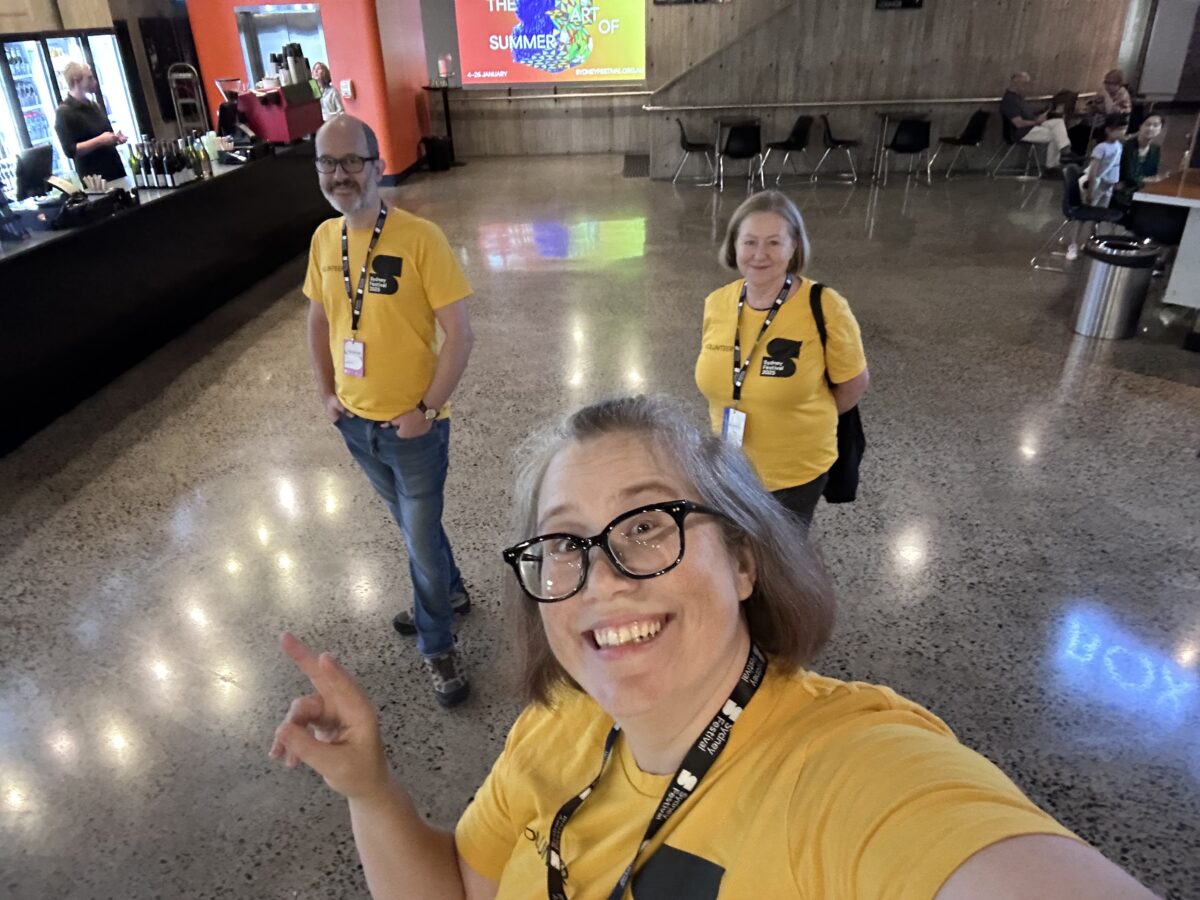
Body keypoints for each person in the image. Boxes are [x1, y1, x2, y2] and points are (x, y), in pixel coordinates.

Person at [270, 395, 1158, 899]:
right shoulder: (559, 728)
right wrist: (371, 790)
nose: (600, 578)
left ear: (741, 557)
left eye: (649, 526)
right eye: (564, 542)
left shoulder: (852, 773)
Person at [303, 114, 476, 707]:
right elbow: (320, 318)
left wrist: (426, 409)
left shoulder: (420, 238)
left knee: (419, 538)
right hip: (355, 426)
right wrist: (328, 394)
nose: (340, 174)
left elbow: (460, 335)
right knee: (413, 527)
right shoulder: (325, 240)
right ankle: (450, 592)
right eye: (328, 163)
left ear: (378, 165)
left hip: (413, 428)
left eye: (352, 161)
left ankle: (438, 644)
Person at [694, 191, 868, 527]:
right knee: (735, 560)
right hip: (730, 468)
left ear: (794, 248)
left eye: (774, 242)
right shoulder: (717, 302)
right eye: (749, 242)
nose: (760, 254)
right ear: (735, 247)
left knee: (779, 569)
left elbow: (853, 384)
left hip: (794, 474)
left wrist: (796, 416)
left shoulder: (826, 305)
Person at [53, 61, 127, 182]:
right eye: (89, 78)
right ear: (76, 81)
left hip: (115, 169)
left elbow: (107, 132)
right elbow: (71, 150)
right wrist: (100, 140)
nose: (94, 81)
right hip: (95, 178)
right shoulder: (64, 113)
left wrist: (115, 138)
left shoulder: (94, 106)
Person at [999, 71, 1072, 170]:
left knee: (1058, 122)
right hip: (1022, 132)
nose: (1026, 87)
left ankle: (1064, 152)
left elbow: (1027, 115)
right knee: (1057, 134)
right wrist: (1037, 122)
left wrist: (1042, 113)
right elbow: (1019, 123)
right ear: (1016, 82)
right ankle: (1055, 163)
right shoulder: (1010, 100)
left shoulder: (1018, 97)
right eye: (1024, 83)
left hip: (1032, 125)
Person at [1070, 69, 1135, 157]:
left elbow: (1110, 111)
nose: (1107, 86)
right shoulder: (1105, 92)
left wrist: (1105, 95)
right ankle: (1076, 157)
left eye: (1110, 83)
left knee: (1084, 133)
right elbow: (1094, 104)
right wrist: (1088, 108)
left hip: (1114, 125)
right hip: (1100, 121)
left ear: (1118, 85)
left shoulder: (1122, 94)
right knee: (1074, 131)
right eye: (1106, 83)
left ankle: (1080, 158)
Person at [1115, 114, 1164, 206]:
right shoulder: (1127, 146)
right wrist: (1147, 181)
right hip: (1121, 192)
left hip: (1139, 191)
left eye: (1155, 125)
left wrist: (1150, 181)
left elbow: (1152, 174)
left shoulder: (1155, 149)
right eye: (1147, 124)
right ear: (1140, 126)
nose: (1150, 128)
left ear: (1160, 130)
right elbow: (1129, 175)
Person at [1084, 114, 1127, 208]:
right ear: (1108, 130)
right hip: (1099, 184)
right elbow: (1093, 171)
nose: (1123, 132)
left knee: (1103, 208)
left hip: (1109, 184)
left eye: (1124, 128)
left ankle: (1096, 223)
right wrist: (1090, 190)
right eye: (1120, 129)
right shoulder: (1101, 148)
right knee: (1091, 207)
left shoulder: (1118, 145)